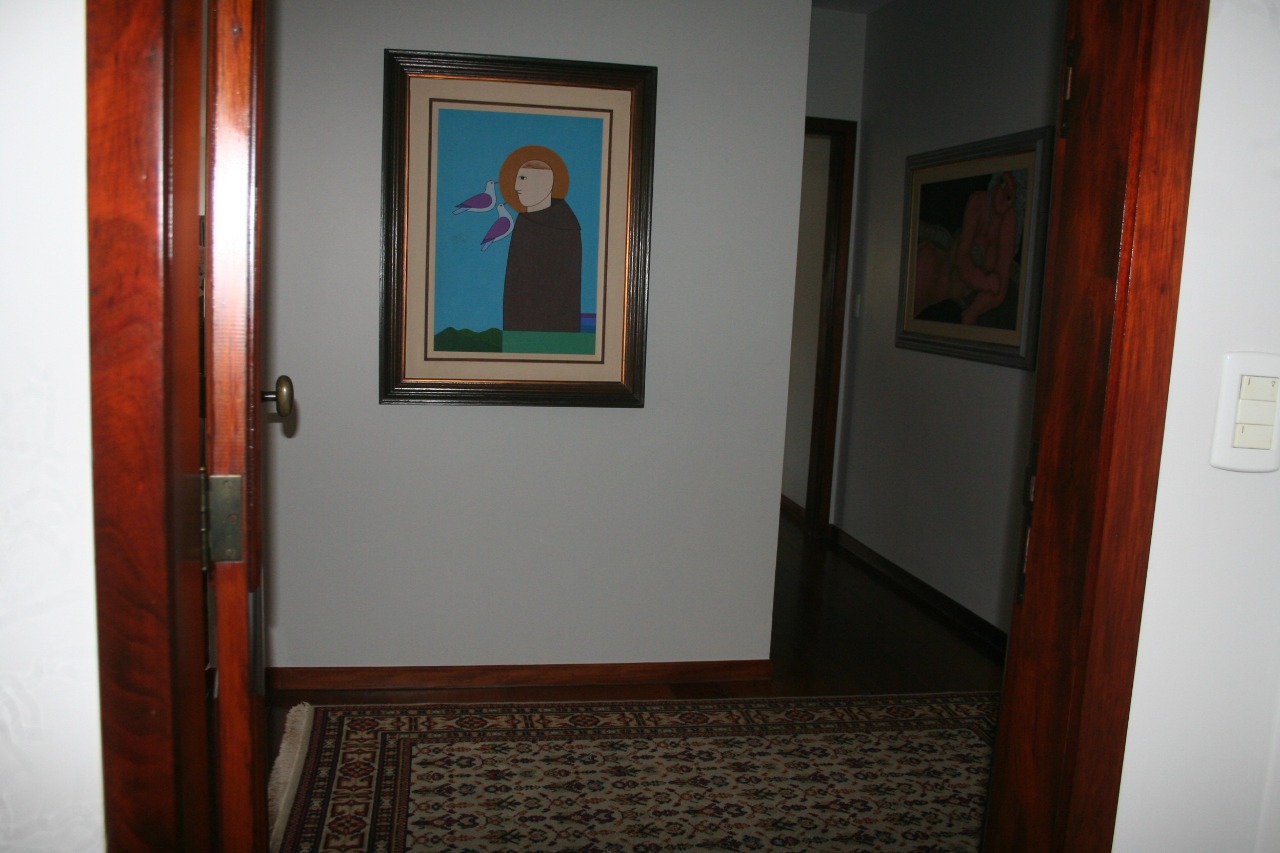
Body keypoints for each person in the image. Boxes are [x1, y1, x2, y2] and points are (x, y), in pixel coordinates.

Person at [913, 170, 1023, 326]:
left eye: (1011, 195)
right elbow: (962, 258)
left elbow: (999, 290)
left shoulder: (1009, 223)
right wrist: (984, 282)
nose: (1005, 197)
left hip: (952, 294)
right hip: (939, 271)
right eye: (1003, 185)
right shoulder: (979, 202)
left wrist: (973, 311)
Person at [498, 145, 582, 333]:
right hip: (519, 327)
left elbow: (566, 288)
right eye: (517, 179)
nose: (516, 187)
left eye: (523, 178)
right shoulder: (524, 221)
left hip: (557, 326)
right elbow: (515, 284)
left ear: (546, 182)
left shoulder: (566, 226)